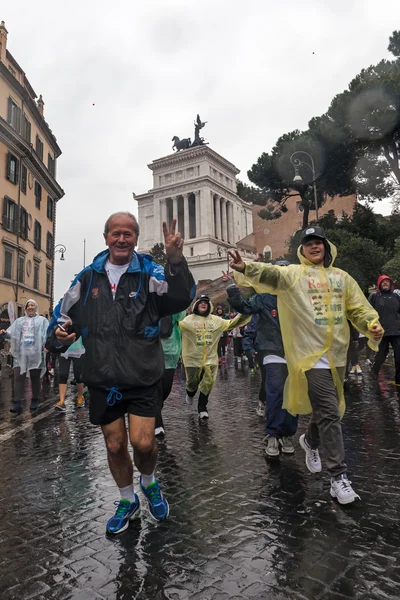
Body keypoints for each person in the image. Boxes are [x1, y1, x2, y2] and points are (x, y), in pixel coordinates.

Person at [49, 213, 195, 533]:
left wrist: (176, 262)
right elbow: (63, 314)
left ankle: (149, 481)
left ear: (136, 239)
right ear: (106, 238)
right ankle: (128, 500)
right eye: (116, 233)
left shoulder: (150, 272)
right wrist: (57, 334)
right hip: (103, 378)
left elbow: (180, 296)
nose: (122, 239)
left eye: (128, 234)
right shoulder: (87, 278)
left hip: (142, 376)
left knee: (143, 443)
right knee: (115, 445)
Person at [228, 225, 383, 504]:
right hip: (310, 355)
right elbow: (271, 274)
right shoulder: (293, 276)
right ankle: (338, 476)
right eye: (308, 242)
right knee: (328, 409)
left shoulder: (342, 278)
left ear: (326, 247)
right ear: (301, 249)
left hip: (336, 353)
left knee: (331, 409)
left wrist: (371, 324)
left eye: (319, 242)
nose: (314, 246)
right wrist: (245, 268)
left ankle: (310, 440)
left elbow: (358, 307)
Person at [226, 265, 299, 457]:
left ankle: (288, 433)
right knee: (274, 390)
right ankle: (273, 434)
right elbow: (244, 307)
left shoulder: (298, 298)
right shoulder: (264, 298)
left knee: (293, 393)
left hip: (294, 353)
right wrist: (233, 291)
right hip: (272, 350)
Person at [179, 295, 250, 419]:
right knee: (192, 383)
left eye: (206, 302)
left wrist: (246, 310)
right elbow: (174, 326)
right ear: (196, 305)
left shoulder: (216, 320)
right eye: (201, 302)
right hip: (192, 359)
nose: (203, 304)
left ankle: (202, 408)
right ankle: (190, 393)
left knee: (208, 382)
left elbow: (233, 323)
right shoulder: (188, 320)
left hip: (210, 359)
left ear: (209, 306)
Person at [0, 299, 48, 413]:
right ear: (26, 308)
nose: (30, 307)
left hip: (36, 354)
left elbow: (48, 333)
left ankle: (34, 400)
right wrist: (4, 333)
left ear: (36, 307)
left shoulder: (42, 321)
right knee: (18, 377)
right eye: (28, 305)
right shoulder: (19, 321)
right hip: (20, 354)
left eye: (32, 305)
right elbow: (12, 334)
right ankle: (17, 403)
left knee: (35, 377)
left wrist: (47, 345)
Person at [155, 311, 186, 437]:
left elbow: (182, 312)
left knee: (166, 389)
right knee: (155, 390)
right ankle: (157, 423)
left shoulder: (174, 311)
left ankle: (155, 408)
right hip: (152, 353)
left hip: (170, 355)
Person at [368, 275, 400, 384]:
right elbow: (368, 312)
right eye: (383, 282)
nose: (385, 283)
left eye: (388, 282)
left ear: (391, 284)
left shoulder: (396, 296)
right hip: (381, 331)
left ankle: (398, 379)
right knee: (381, 355)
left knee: (399, 356)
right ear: (379, 284)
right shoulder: (374, 297)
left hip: (396, 331)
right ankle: (374, 371)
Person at [55, 337, 86, 411]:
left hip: (79, 348)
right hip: (64, 349)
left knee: (78, 375)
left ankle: (80, 397)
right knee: (63, 374)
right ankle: (61, 401)